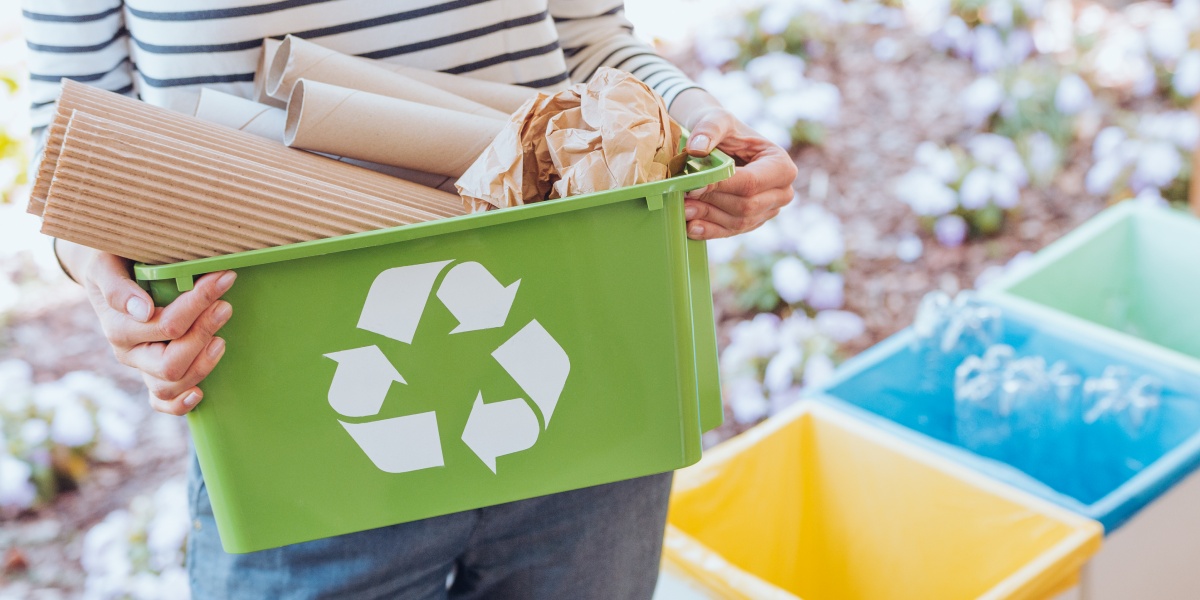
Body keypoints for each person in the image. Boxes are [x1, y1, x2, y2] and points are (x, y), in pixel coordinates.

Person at [24, 1, 798, 597]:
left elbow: (591, 38)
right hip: (290, 418)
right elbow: (78, 132)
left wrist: (703, 125)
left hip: (580, 372)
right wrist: (109, 288)